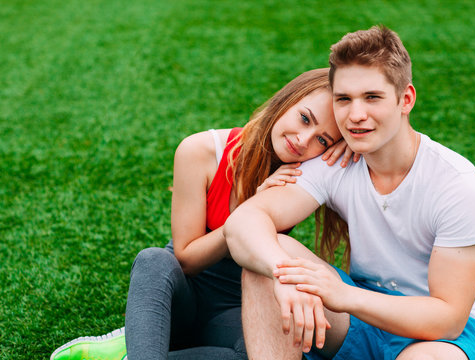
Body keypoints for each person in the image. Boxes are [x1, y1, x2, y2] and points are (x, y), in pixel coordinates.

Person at [224, 26, 475, 360]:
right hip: (356, 318)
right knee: (270, 255)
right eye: (344, 99)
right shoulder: (335, 160)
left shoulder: (457, 185)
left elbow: (448, 319)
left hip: (438, 338)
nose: (355, 116)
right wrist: (282, 271)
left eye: (372, 97)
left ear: (405, 99)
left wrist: (342, 295)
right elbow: (243, 223)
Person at [49, 68, 350, 360]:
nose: (303, 139)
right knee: (154, 259)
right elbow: (185, 260)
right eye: (304, 118)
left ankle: (138, 350)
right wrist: (248, 214)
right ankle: (145, 344)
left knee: (257, 352)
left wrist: (357, 151)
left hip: (233, 309)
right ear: (285, 100)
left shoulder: (308, 174)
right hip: (181, 297)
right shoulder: (202, 151)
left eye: (323, 140)